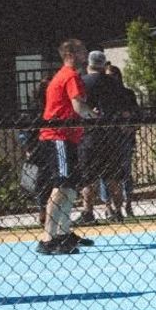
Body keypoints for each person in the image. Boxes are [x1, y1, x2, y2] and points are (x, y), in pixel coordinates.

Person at [37, 38, 95, 254]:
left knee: (70, 186)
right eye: (82, 51)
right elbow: (78, 104)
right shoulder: (70, 76)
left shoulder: (66, 75)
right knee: (61, 186)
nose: (85, 55)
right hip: (58, 136)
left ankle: (62, 232)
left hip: (66, 137)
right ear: (71, 54)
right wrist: (92, 116)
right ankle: (48, 238)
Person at [80, 51, 137, 222]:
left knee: (88, 178)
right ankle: (118, 211)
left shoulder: (83, 82)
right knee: (113, 177)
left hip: (89, 134)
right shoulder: (114, 84)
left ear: (89, 64)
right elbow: (124, 109)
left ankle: (88, 212)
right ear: (104, 65)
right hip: (111, 134)